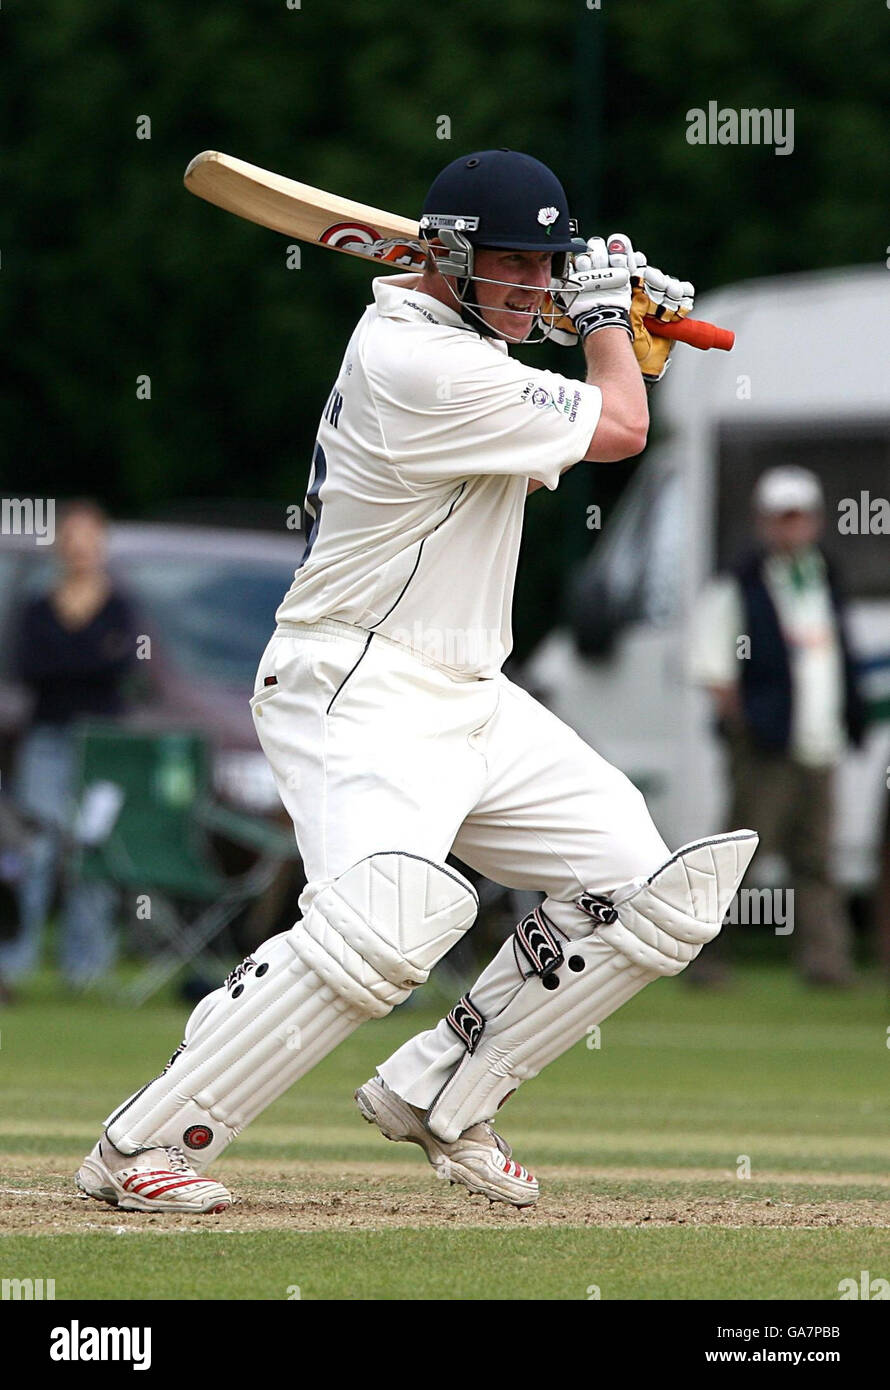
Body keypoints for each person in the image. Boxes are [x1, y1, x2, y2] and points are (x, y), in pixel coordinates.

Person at [76, 149, 757, 1215]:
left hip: (469, 690)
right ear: (444, 259)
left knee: (643, 891)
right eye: (516, 269)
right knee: (386, 927)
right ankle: (142, 1146)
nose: (533, 289)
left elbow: (587, 419)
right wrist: (606, 326)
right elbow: (616, 427)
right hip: (358, 681)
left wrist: (630, 344)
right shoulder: (416, 362)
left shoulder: (471, 346)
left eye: (547, 267)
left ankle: (441, 1086)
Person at [690, 466, 865, 985]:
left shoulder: (824, 574)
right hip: (766, 745)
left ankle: (826, 962)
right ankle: (703, 955)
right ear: (765, 523)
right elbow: (713, 667)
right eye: (782, 519)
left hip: (818, 740)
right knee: (740, 857)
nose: (792, 528)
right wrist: (749, 724)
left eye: (800, 518)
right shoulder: (738, 582)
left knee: (817, 859)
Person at [1, 500, 135, 988]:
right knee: (33, 848)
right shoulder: (37, 607)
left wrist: (72, 661)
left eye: (88, 537)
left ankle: (87, 969)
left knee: (92, 848)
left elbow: (122, 669)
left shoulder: (120, 605)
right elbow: (29, 668)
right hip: (48, 739)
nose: (79, 548)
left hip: (102, 743)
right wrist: (88, 659)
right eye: (71, 537)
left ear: (101, 543)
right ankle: (13, 965)